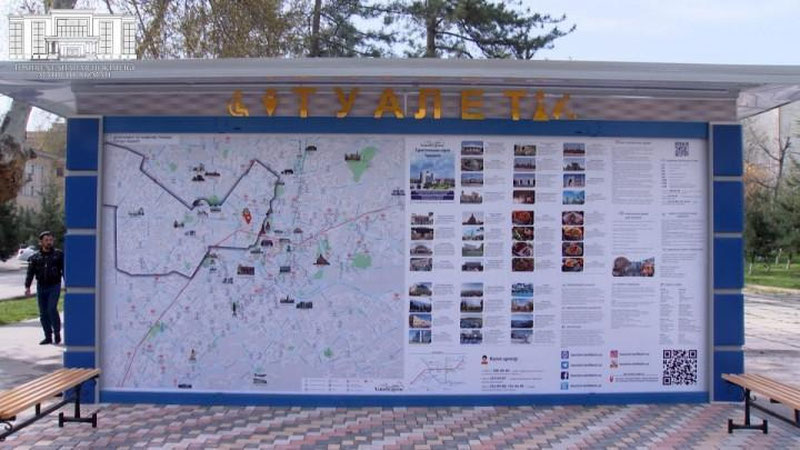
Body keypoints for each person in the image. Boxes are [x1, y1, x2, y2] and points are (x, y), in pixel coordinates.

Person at [24, 231, 64, 345]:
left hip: (54, 286)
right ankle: (48, 336)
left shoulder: (58, 255)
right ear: (40, 242)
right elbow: (30, 273)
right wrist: (27, 286)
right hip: (41, 287)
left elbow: (65, 270)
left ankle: (57, 333)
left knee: (51, 309)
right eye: (46, 240)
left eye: (51, 240)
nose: (49, 242)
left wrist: (68, 284)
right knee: (43, 313)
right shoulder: (35, 257)